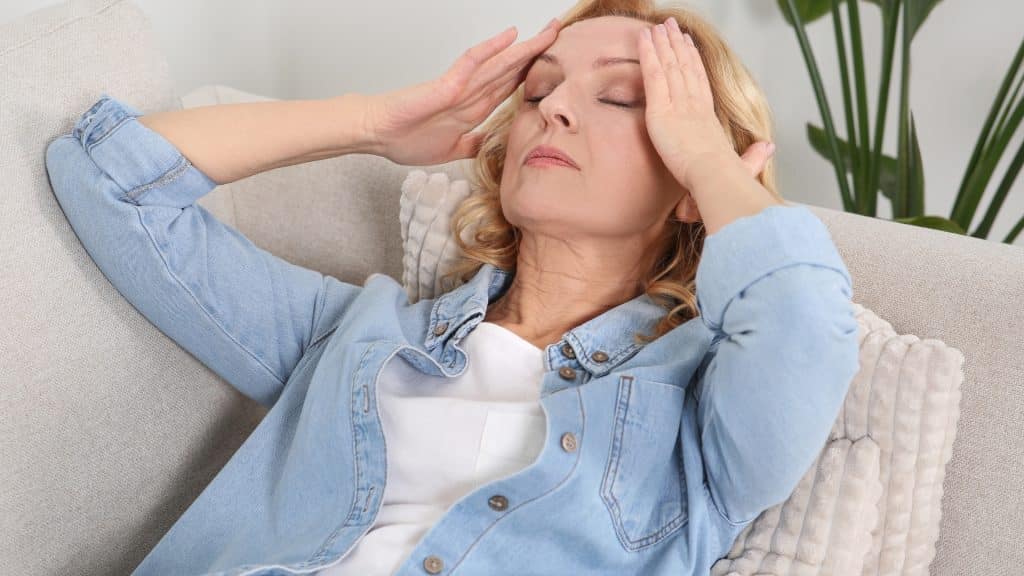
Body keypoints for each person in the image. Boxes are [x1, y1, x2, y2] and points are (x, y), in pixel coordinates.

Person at [44, 0, 861, 574]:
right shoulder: (352, 331)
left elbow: (808, 323)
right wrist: (371, 125)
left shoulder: (700, 424)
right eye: (537, 90)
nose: (555, 108)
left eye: (622, 97)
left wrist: (711, 165)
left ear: (688, 180)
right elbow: (107, 178)